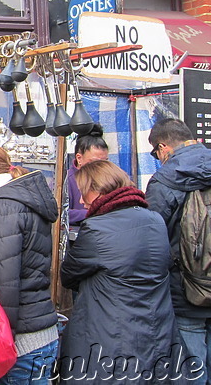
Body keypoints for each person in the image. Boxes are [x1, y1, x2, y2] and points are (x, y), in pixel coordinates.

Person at [59, 160, 181, 382]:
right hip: (157, 327)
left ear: (97, 189)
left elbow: (68, 275)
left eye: (84, 192)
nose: (81, 201)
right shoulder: (155, 220)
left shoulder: (97, 228)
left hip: (109, 334)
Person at [0, 143, 59, 384]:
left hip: (22, 341)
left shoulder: (1, 206)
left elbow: (3, 283)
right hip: (41, 329)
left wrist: (0, 342)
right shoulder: (22, 198)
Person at [146, 118, 211, 382]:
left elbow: (152, 237)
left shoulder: (164, 180)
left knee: (191, 369)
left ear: (163, 148)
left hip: (186, 290)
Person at [65, 124, 109, 227]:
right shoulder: (65, 182)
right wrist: (94, 213)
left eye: (105, 162)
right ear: (79, 158)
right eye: (94, 162)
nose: (100, 167)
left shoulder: (110, 179)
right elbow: (59, 214)